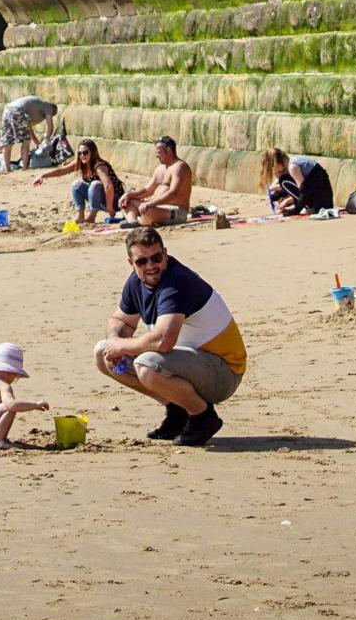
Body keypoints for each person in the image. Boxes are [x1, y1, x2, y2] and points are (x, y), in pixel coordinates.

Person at [93, 227, 246, 447]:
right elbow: (121, 321)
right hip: (191, 364)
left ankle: (203, 417)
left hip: (224, 372)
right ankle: (178, 410)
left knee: (147, 364)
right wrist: (115, 342)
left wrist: (122, 346)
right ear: (131, 263)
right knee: (102, 353)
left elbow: (163, 341)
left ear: (165, 254)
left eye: (156, 257)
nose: (151, 266)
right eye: (142, 261)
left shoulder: (176, 282)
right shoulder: (136, 282)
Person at [29, 138, 122, 221]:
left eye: (85, 152)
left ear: (92, 152)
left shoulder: (99, 166)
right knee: (76, 185)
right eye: (79, 153)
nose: (82, 155)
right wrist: (42, 175)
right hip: (102, 200)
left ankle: (92, 217)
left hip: (115, 202)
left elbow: (108, 186)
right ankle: (80, 216)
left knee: (95, 185)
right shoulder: (81, 163)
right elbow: (61, 171)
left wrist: (110, 208)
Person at [118, 136, 196, 226]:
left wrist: (150, 204)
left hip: (177, 211)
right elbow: (147, 190)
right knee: (126, 202)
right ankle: (132, 222)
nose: (156, 156)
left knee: (148, 211)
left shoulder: (180, 167)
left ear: (169, 150)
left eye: (158, 152)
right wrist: (128, 195)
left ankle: (143, 221)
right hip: (157, 207)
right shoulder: (160, 169)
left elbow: (173, 193)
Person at [260, 149, 336, 215]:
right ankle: (309, 207)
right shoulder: (292, 163)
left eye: (274, 168)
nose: (276, 171)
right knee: (283, 182)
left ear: (279, 163)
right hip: (322, 196)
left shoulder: (293, 167)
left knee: (284, 182)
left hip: (322, 201)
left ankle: (312, 208)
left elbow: (304, 191)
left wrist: (295, 210)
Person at [0, 94, 58, 172]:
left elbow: (28, 128)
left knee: (7, 143)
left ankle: (7, 169)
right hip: (18, 111)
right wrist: (47, 139)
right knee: (26, 143)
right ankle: (25, 168)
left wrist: (37, 143)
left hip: (7, 109)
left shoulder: (36, 106)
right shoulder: (48, 107)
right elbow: (50, 126)